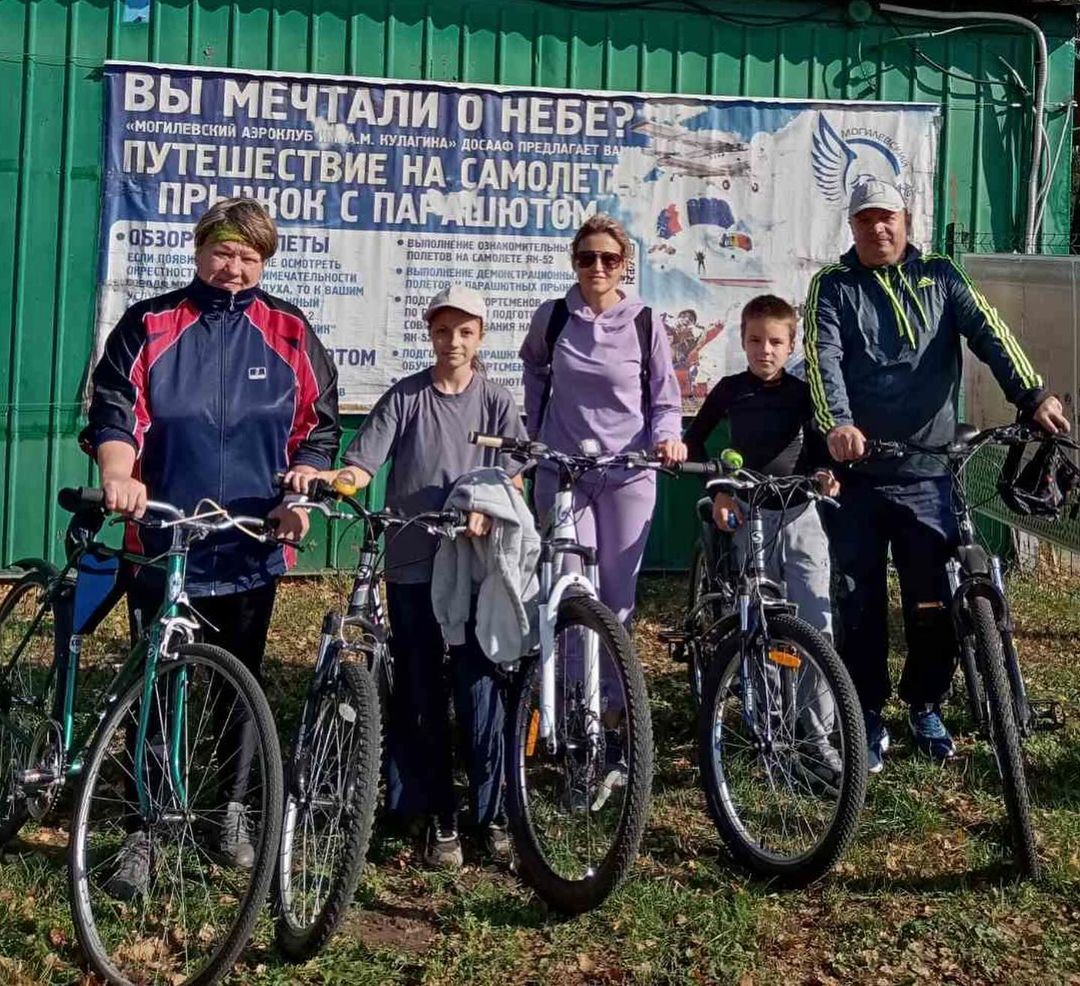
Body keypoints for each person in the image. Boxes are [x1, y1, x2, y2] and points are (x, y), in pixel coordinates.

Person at [81, 197, 339, 894]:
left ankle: (231, 810)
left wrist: (302, 491)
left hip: (250, 540)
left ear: (266, 262)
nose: (234, 268)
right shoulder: (150, 323)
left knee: (242, 685)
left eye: (250, 257)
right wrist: (116, 473)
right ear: (200, 249)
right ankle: (148, 826)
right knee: (160, 687)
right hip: (164, 538)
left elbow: (314, 430)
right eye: (224, 252)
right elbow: (114, 409)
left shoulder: (289, 330)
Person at [804, 179, 1069, 773]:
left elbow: (990, 333)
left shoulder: (942, 276)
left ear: (905, 220)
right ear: (852, 228)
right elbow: (822, 362)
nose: (878, 229)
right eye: (866, 219)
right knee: (860, 601)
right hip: (859, 476)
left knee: (933, 602)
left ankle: (925, 701)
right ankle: (865, 712)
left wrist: (1032, 396)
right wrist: (837, 426)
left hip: (928, 473)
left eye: (887, 217)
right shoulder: (833, 287)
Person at [318, 285, 527, 869]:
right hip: (412, 563)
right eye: (443, 330)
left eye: (465, 332)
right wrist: (344, 482)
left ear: (480, 336)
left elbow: (512, 476)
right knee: (419, 688)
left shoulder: (496, 401)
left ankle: (495, 812)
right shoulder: (407, 396)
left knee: (480, 684)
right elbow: (364, 461)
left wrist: (489, 509)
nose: (453, 341)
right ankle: (434, 812)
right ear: (429, 333)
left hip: (476, 567)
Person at [520, 213, 686, 631]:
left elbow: (665, 399)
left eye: (609, 260)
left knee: (617, 595)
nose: (597, 268)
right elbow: (535, 373)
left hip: (628, 474)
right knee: (572, 587)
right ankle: (573, 690)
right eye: (587, 258)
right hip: (564, 473)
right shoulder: (553, 317)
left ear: (624, 264)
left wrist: (668, 439)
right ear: (574, 261)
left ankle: (616, 694)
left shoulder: (645, 323)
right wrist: (535, 440)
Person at [684, 294, 837, 638]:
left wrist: (826, 474)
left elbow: (819, 447)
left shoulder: (804, 393)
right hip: (748, 512)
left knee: (816, 617)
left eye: (775, 341)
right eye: (755, 340)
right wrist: (721, 492)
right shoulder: (729, 389)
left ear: (790, 346)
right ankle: (763, 688)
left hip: (800, 513)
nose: (764, 350)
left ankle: (817, 693)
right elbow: (694, 441)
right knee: (758, 617)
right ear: (742, 341)